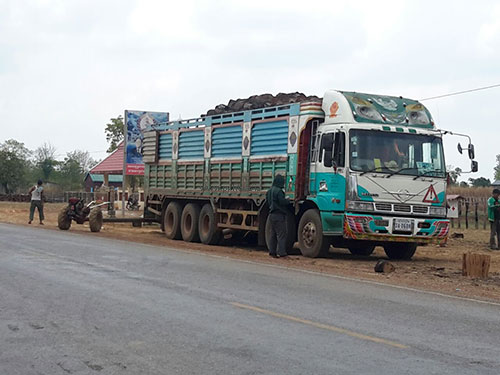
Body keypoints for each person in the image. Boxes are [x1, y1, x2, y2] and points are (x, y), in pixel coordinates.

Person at [266, 174, 290, 258]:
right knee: (281, 234)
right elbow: (282, 202)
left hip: (271, 215)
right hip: (279, 215)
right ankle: (282, 252)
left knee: (273, 234)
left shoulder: (269, 191)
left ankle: (272, 252)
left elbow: (267, 201)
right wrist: (288, 200)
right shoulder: (279, 191)